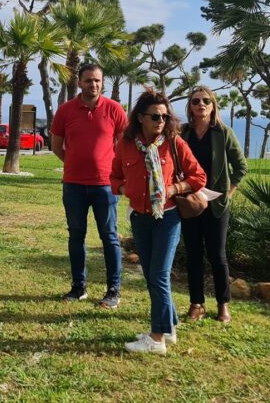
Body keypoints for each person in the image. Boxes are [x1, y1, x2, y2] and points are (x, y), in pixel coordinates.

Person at [111, 89, 206, 355]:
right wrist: (123, 189)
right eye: (155, 116)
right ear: (140, 117)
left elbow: (199, 176)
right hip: (141, 218)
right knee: (152, 275)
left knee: (160, 275)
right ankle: (169, 327)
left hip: (168, 216)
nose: (160, 121)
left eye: (165, 117)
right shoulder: (126, 144)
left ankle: (156, 339)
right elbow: (114, 176)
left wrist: (175, 189)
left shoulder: (174, 143)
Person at [49, 63, 128, 308]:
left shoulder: (115, 109)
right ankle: (78, 287)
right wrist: (74, 163)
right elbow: (56, 145)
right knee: (76, 236)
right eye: (88, 80)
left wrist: (113, 172)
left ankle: (113, 290)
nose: (93, 84)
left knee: (109, 237)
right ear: (79, 82)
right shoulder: (66, 110)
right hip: (73, 185)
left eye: (97, 80)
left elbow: (125, 145)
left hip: (105, 186)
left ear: (102, 82)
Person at [179, 86, 247, 324]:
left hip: (216, 204)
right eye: (196, 101)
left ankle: (223, 304)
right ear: (190, 106)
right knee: (194, 255)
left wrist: (228, 193)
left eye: (206, 100)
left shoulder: (223, 133)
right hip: (190, 202)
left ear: (213, 105)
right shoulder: (183, 133)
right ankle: (196, 304)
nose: (201, 104)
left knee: (217, 256)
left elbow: (241, 167)